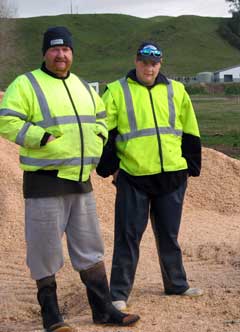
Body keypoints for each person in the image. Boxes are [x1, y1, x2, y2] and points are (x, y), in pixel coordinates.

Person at [0, 26, 140, 332]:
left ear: (72, 54)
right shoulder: (26, 84)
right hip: (45, 182)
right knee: (44, 250)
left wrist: (100, 135)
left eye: (66, 50)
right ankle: (52, 316)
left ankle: (103, 311)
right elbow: (6, 120)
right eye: (54, 49)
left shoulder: (82, 86)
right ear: (45, 53)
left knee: (90, 247)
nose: (61, 55)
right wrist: (41, 137)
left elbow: (101, 116)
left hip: (80, 181)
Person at [96, 41, 203, 311]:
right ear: (136, 62)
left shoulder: (176, 90)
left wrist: (191, 164)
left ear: (160, 64)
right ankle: (118, 294)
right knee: (128, 236)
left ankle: (176, 284)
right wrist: (110, 167)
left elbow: (190, 128)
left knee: (169, 235)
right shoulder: (117, 91)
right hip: (134, 176)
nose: (149, 67)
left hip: (172, 176)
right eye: (144, 62)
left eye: (154, 63)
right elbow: (104, 131)